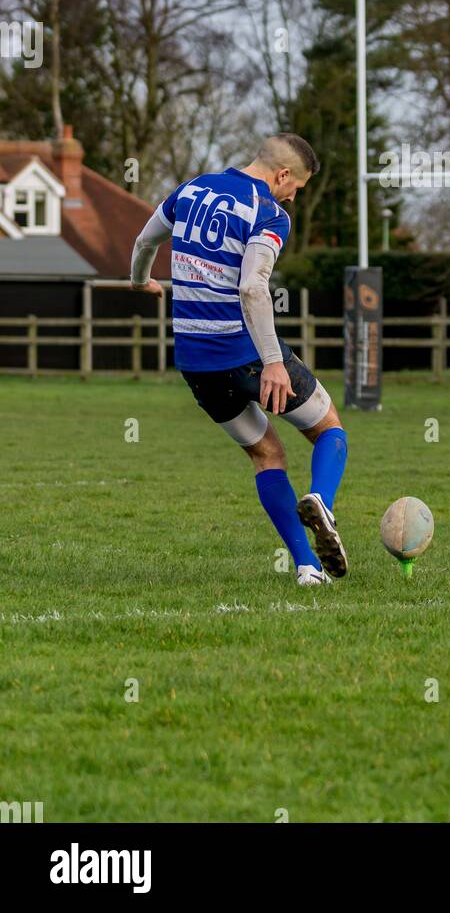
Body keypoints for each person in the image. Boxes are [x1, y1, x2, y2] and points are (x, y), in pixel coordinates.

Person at [129, 133, 348, 586]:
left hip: (194, 361)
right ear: (282, 174)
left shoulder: (189, 190)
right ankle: (322, 501)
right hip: (244, 352)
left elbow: (143, 240)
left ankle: (308, 567)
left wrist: (140, 281)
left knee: (266, 455)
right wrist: (272, 361)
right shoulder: (268, 212)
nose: (295, 195)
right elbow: (252, 287)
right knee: (328, 427)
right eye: (298, 186)